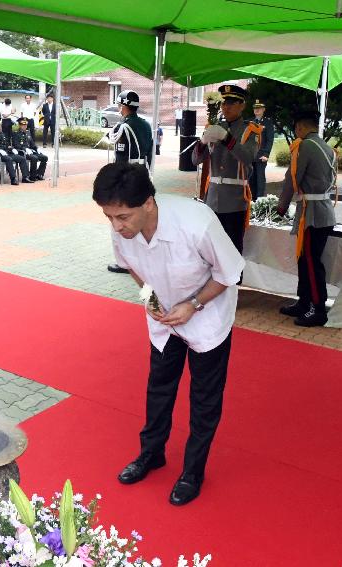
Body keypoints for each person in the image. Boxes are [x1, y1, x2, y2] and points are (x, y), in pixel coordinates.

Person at [93, 161, 244, 506]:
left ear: (148, 203)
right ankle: (152, 453)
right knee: (159, 387)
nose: (117, 227)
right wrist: (150, 299)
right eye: (109, 218)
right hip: (163, 318)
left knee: (204, 399)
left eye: (123, 217)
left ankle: (193, 471)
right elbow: (133, 268)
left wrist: (193, 304)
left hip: (207, 315)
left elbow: (231, 272)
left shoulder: (197, 223)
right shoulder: (124, 230)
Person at [276, 111, 337, 327]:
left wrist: (281, 206)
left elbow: (292, 179)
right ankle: (304, 301)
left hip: (312, 214)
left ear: (300, 127)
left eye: (296, 129)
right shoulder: (325, 146)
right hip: (319, 210)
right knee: (304, 259)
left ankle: (318, 309)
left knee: (311, 263)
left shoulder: (304, 146)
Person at [192, 84, 260, 259]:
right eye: (223, 103)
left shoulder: (250, 130)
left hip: (235, 200)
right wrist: (202, 141)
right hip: (212, 198)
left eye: (231, 103)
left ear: (242, 105)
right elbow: (195, 160)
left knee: (232, 251)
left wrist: (226, 138)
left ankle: (233, 286)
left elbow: (247, 157)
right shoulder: (215, 126)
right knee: (210, 250)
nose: (226, 107)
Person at [106, 89, 154, 274]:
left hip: (127, 176)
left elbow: (121, 156)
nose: (118, 108)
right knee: (140, 216)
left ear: (124, 106)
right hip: (142, 172)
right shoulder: (145, 125)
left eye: (119, 105)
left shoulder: (123, 127)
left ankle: (125, 261)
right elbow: (149, 151)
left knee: (123, 219)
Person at [0, 118, 30, 185]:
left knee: (21, 158)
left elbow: (8, 145)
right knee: (9, 159)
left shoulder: (3, 135)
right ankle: (13, 179)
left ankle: (25, 177)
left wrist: (12, 149)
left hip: (7, 153)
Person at [248, 100, 274, 199]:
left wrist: (266, 154)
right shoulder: (250, 122)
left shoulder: (267, 122)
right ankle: (251, 200)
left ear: (263, 110)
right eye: (255, 108)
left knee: (260, 179)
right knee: (251, 179)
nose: (256, 110)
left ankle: (259, 200)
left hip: (261, 155)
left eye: (259, 108)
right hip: (250, 156)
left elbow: (270, 140)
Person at [12, 117, 47, 182]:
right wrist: (25, 149)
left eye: (25, 125)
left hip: (30, 151)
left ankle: (39, 174)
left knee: (44, 157)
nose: (25, 126)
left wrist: (37, 148)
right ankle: (32, 176)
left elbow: (32, 143)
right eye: (23, 125)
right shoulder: (16, 134)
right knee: (34, 158)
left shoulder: (28, 132)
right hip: (22, 152)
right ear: (20, 125)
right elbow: (16, 145)